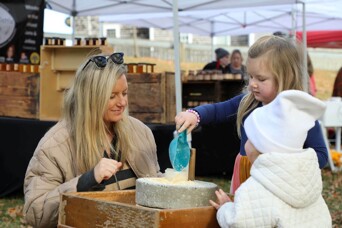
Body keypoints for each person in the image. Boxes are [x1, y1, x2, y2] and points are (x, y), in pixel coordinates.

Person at [175, 35, 328, 194]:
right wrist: (194, 114)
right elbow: (217, 110)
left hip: (281, 181)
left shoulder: (301, 113)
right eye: (251, 76)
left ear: (285, 77)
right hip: (245, 174)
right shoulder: (248, 102)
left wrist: (290, 162)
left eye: (261, 78)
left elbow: (321, 155)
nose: (253, 83)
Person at [24, 52, 162, 227]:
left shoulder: (140, 132)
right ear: (90, 98)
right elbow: (36, 213)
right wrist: (86, 181)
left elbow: (153, 184)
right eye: (112, 96)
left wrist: (174, 182)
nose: (122, 102)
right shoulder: (54, 145)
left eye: (125, 93)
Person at [209, 90, 332, 227]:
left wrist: (226, 208)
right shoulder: (308, 180)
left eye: (249, 137)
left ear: (259, 145)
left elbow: (239, 222)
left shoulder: (256, 187)